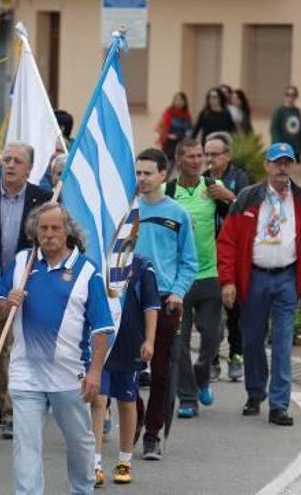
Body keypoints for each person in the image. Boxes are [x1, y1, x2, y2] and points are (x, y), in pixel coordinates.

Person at [0, 202, 114, 495]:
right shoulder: (22, 263)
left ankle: (82, 489)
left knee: (79, 442)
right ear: (35, 231)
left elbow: (101, 328)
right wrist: (7, 301)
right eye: (43, 228)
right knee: (26, 444)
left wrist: (95, 372)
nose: (48, 234)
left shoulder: (87, 271)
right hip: (26, 373)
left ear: (67, 231)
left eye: (55, 228)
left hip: (69, 375)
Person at [219, 143, 301, 426]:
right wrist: (228, 280)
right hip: (255, 276)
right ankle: (255, 392)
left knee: (283, 342)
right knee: (252, 339)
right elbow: (227, 241)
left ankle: (279, 404)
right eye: (277, 162)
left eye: (288, 162)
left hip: (287, 277)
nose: (282, 168)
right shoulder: (248, 198)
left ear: (293, 166)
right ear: (267, 166)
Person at [0, 141, 53, 438]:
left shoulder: (44, 200)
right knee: (1, 348)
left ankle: (32, 400)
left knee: (28, 348)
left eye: (16, 161)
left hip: (31, 283)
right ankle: (7, 408)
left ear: (30, 167)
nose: (9, 165)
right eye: (6, 159)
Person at [131, 148, 197, 460]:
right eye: (138, 173)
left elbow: (189, 262)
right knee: (128, 370)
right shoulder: (127, 209)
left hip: (164, 301)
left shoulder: (178, 213)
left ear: (163, 175)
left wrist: (178, 292)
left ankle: (153, 434)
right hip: (131, 301)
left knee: (159, 373)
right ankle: (135, 415)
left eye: (147, 173)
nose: (141, 179)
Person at [166, 138, 235, 419]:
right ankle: (188, 397)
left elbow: (237, 217)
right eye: (191, 156)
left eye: (200, 156)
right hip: (178, 278)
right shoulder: (166, 191)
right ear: (179, 160)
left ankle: (202, 373)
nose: (197, 161)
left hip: (209, 274)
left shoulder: (213, 189)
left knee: (213, 335)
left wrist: (229, 199)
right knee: (179, 342)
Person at [91, 252, 159, 486]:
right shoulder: (97, 258)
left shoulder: (142, 266)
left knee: (126, 400)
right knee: (98, 400)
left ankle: (124, 460)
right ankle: (95, 463)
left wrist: (149, 340)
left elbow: (151, 306)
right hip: (102, 341)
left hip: (129, 341)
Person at [203, 132, 252, 382]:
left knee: (235, 310)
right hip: (207, 254)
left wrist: (229, 198)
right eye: (206, 155)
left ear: (227, 155)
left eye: (215, 154)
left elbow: (250, 212)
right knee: (211, 312)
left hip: (234, 253)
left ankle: (236, 356)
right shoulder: (201, 180)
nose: (210, 160)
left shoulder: (241, 178)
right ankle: (211, 359)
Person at [270, 86, 301, 162]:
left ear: (296, 97)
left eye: (293, 95)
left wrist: (300, 148)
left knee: (296, 172)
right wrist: (280, 148)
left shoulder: (297, 111)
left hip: (295, 151)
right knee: (283, 172)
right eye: (288, 94)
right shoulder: (279, 110)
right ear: (285, 96)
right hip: (283, 151)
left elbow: (300, 131)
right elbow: (274, 130)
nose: (290, 97)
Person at [156, 91, 192, 162]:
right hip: (169, 144)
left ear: (185, 102)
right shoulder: (168, 113)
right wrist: (167, 135)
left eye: (181, 100)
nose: (178, 102)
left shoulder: (187, 115)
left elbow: (189, 130)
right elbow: (161, 127)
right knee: (168, 165)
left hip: (181, 144)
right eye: (176, 99)